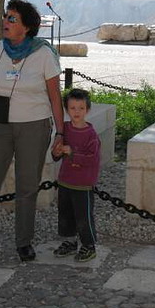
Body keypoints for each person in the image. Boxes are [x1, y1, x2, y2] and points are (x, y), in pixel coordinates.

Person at [0, 0, 64, 263]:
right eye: (6, 17)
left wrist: (60, 133)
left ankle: (24, 243)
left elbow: (55, 96)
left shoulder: (43, 54)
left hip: (34, 126)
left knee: (27, 187)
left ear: (27, 27)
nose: (5, 22)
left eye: (12, 19)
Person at [51, 89, 101, 262]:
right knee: (65, 215)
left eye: (80, 108)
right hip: (65, 181)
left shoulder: (91, 135)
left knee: (83, 217)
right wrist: (57, 151)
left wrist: (72, 153)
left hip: (83, 184)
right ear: (66, 110)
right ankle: (69, 242)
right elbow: (55, 155)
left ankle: (89, 245)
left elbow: (92, 160)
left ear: (87, 109)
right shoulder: (64, 129)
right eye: (72, 108)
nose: (77, 112)